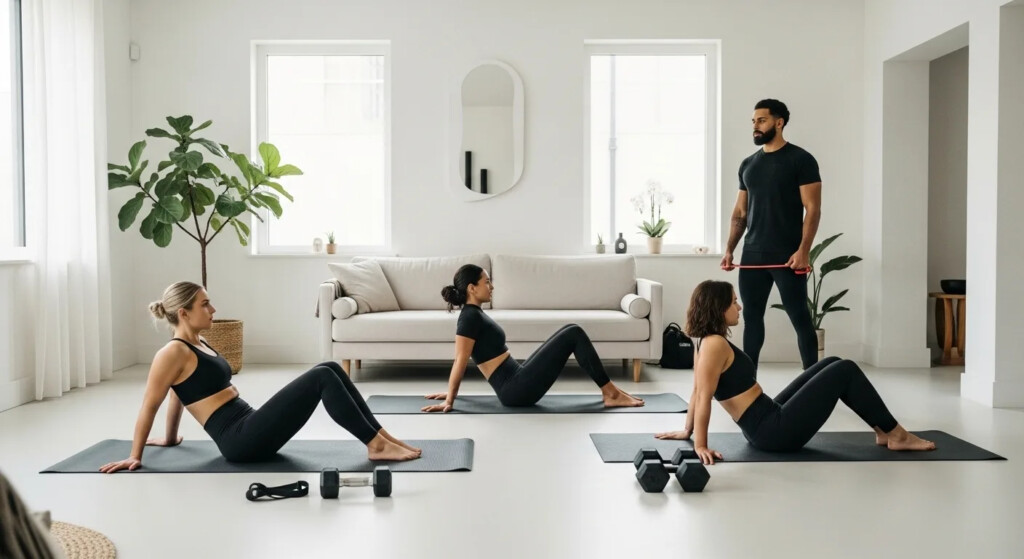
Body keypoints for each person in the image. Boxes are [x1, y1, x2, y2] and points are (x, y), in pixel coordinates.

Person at [99, 281, 420, 473]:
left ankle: (382, 437)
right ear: (184, 313)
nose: (212, 309)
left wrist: (169, 439)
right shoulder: (172, 353)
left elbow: (177, 395)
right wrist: (134, 455)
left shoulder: (198, 343)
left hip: (249, 425)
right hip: (240, 441)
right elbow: (149, 405)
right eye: (205, 304)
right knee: (322, 376)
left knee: (331, 368)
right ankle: (376, 445)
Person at [655, 280, 935, 465]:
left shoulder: (704, 340)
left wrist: (687, 430)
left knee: (833, 362)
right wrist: (700, 445)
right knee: (846, 370)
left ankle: (882, 430)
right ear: (719, 308)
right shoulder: (714, 344)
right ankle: (897, 435)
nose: (739, 307)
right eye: (733, 302)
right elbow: (703, 396)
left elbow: (695, 391)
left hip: (766, 418)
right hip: (773, 432)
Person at [422, 264, 644, 412]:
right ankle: (611, 393)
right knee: (573, 333)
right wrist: (449, 400)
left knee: (570, 328)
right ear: (472, 288)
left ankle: (612, 391)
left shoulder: (474, 314)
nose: (492, 286)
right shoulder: (469, 318)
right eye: (486, 282)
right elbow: (461, 359)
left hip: (516, 379)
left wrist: (452, 393)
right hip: (516, 390)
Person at [721, 99, 821, 372]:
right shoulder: (748, 164)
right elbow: (740, 212)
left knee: (800, 317)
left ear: (779, 122)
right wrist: (730, 249)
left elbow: (812, 209)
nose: (756, 126)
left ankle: (812, 380)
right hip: (752, 254)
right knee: (752, 319)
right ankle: (748, 382)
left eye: (762, 120)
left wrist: (803, 250)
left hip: (787, 254)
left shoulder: (801, 159)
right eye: (753, 121)